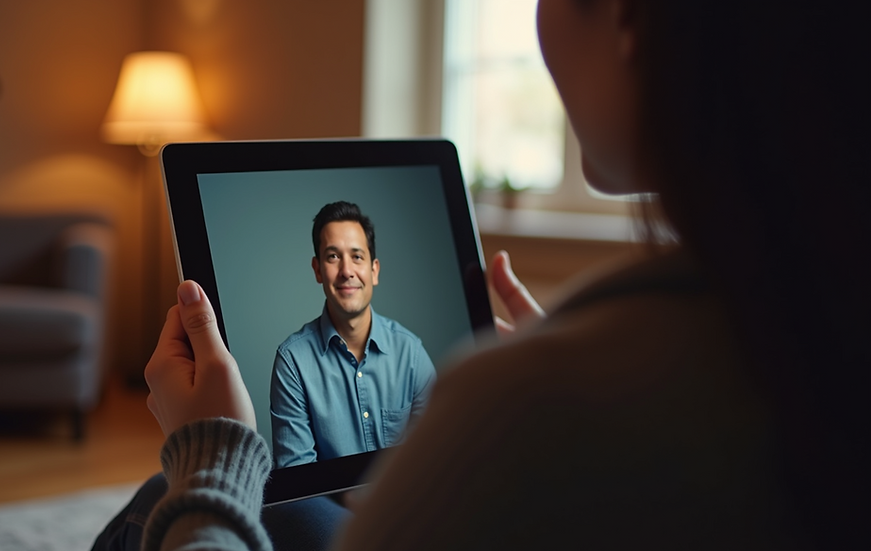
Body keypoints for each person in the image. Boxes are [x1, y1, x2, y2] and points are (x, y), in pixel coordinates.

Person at [113, 0, 871, 549]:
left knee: (166, 500)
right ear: (318, 270)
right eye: (331, 256)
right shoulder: (810, 316)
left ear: (628, 19)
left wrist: (214, 447)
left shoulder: (501, 395)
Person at [270, 201, 437, 469]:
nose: (347, 271)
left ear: (374, 270)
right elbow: (299, 481)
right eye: (333, 256)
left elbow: (436, 456)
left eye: (357, 256)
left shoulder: (412, 354)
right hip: (331, 511)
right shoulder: (293, 362)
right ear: (317, 270)